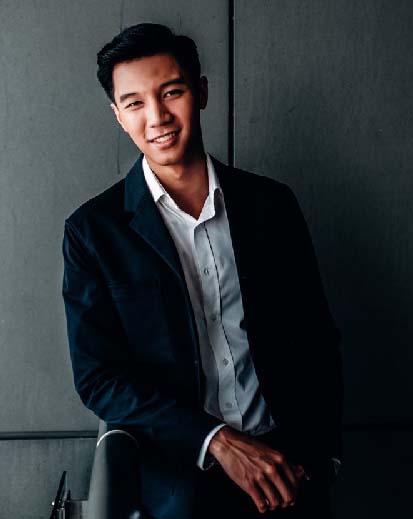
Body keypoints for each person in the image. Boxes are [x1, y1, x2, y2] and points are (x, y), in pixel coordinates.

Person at [62, 23, 343, 519]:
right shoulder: (93, 232)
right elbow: (99, 378)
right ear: (118, 116)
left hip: (288, 474)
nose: (157, 117)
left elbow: (316, 337)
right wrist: (216, 440)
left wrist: (322, 457)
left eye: (172, 92)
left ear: (202, 92)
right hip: (178, 488)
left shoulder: (271, 205)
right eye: (134, 103)